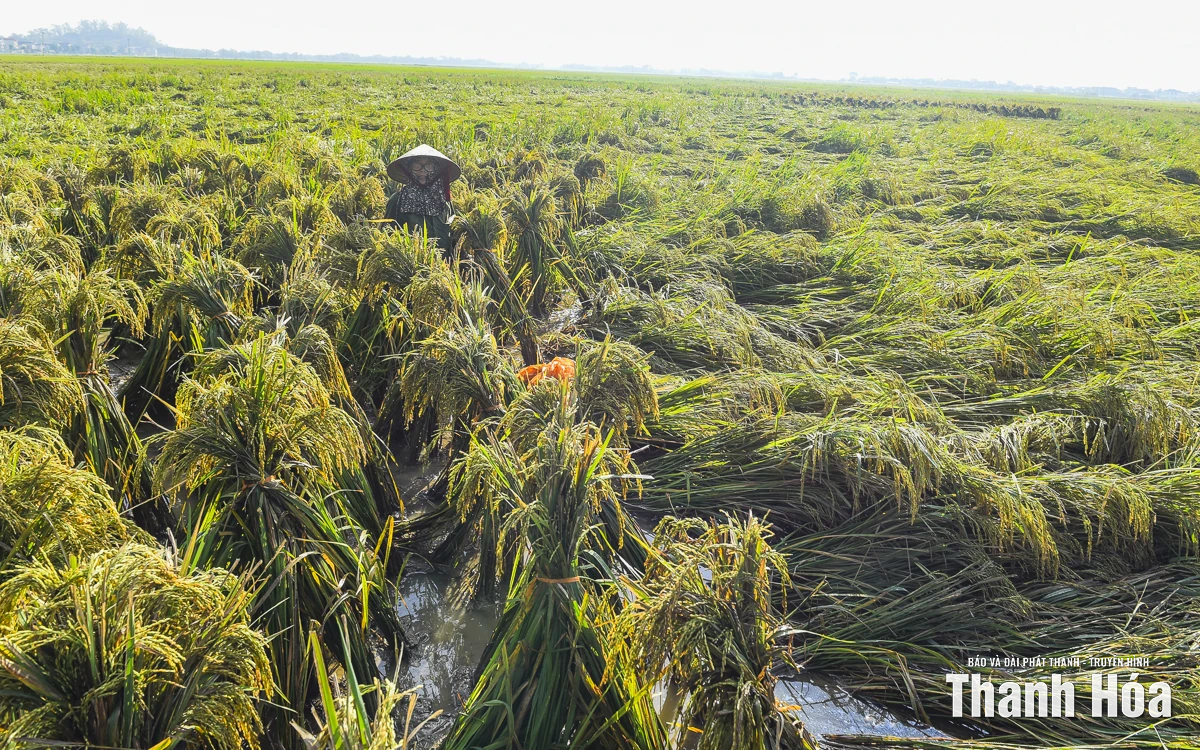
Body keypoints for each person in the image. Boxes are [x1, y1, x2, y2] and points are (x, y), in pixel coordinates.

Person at [384, 144, 461, 251]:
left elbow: (454, 232)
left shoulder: (443, 199)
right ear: (409, 169)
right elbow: (386, 236)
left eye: (429, 166)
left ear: (436, 170)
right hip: (412, 263)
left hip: (444, 264)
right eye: (416, 165)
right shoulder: (398, 200)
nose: (422, 170)